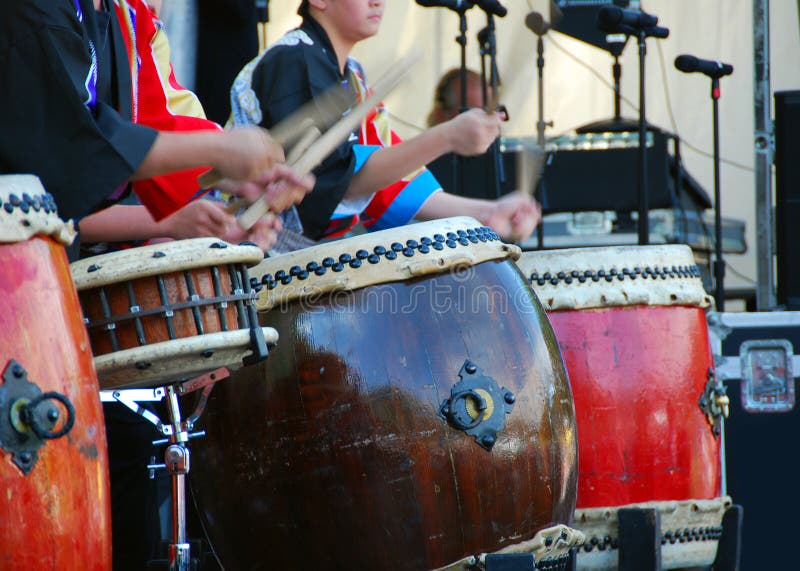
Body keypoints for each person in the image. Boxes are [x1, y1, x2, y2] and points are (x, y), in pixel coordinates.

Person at [0, 0, 311, 259]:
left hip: (49, 263)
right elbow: (75, 155)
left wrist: (236, 178)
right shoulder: (38, 9)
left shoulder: (116, 13)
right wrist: (219, 152)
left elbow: (106, 141)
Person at [228, 0, 541, 250]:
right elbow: (336, 182)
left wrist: (488, 213)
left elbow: (389, 179)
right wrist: (448, 136)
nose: (378, 2)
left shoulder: (352, 78)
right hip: (247, 259)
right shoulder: (294, 61)